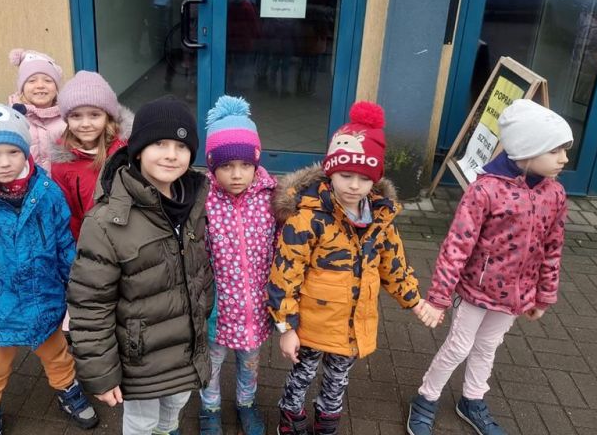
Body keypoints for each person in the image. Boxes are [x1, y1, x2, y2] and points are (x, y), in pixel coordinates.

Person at [407, 99, 573, 435]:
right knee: (458, 346)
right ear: (528, 148)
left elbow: (553, 247)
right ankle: (426, 398)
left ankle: (472, 399)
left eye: (565, 150)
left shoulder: (555, 194)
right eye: (556, 150)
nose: (564, 159)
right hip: (476, 291)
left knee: (488, 346)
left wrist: (543, 295)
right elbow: (457, 245)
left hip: (514, 296)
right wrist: (438, 298)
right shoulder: (485, 190)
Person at [267, 101, 432, 435]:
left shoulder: (380, 218)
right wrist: (286, 328)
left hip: (353, 324)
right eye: (346, 175)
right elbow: (285, 274)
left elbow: (394, 265)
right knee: (302, 375)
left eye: (364, 178)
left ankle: (327, 423)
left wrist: (415, 301)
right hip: (311, 324)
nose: (354, 185)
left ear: (375, 180)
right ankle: (291, 418)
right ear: (331, 171)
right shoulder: (308, 216)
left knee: (337, 379)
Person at [0, 104, 98, 435]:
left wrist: (76, 283)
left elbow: (63, 243)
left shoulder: (47, 193)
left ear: (25, 151)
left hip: (43, 300)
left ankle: (67, 389)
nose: (5, 162)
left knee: (58, 353)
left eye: (13, 151)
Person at [67, 96, 214, 435]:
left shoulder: (193, 203)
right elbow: (90, 305)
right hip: (140, 357)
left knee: (176, 405)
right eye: (159, 143)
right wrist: (102, 373)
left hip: (185, 346)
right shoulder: (107, 221)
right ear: (137, 150)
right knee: (142, 421)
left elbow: (199, 269)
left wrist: (202, 309)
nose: (171, 154)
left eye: (181, 145)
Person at [199, 96, 277, 435]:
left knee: (250, 363)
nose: (236, 174)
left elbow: (282, 248)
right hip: (217, 308)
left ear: (256, 162)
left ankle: (247, 403)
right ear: (211, 165)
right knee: (211, 363)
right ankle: (209, 409)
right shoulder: (202, 200)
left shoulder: (272, 198)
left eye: (245, 165)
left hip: (254, 306)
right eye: (226, 165)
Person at [51, 70, 133, 241]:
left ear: (108, 116)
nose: (85, 124)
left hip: (129, 236)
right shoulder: (62, 163)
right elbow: (70, 213)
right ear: (67, 120)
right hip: (92, 239)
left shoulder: (127, 151)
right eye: (76, 116)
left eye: (94, 115)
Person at [8, 48, 65, 175]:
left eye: (48, 80)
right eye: (32, 80)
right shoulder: (12, 119)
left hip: (61, 184)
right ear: (22, 88)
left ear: (56, 87)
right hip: (27, 184)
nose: (40, 85)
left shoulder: (67, 118)